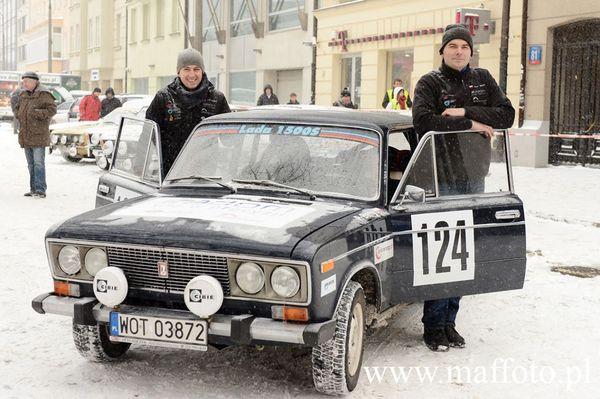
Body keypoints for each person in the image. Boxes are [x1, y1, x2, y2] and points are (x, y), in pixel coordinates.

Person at [412, 24, 515, 352]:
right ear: (442, 50)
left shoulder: (483, 80)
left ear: (471, 52)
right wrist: (471, 124)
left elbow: (507, 115)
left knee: (463, 253)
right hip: (443, 179)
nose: (458, 51)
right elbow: (424, 122)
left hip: (475, 177)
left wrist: (464, 110)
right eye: (452, 46)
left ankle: (449, 321)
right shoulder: (429, 82)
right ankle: (433, 325)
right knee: (443, 252)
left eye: (464, 47)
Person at [146, 48, 231, 175]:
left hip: (206, 175)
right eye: (186, 69)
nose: (192, 75)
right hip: (171, 172)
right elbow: (147, 135)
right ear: (178, 72)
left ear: (202, 71)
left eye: (196, 69)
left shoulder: (217, 98)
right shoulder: (164, 97)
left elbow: (229, 137)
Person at [14, 71, 57, 199]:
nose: (24, 83)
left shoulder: (44, 94)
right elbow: (17, 108)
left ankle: (40, 189)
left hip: (38, 134)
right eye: (23, 81)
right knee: (31, 164)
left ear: (34, 81)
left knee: (39, 163)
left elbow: (52, 109)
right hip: (26, 134)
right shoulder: (23, 94)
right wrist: (19, 114)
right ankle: (33, 189)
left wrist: (36, 113)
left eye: (26, 81)